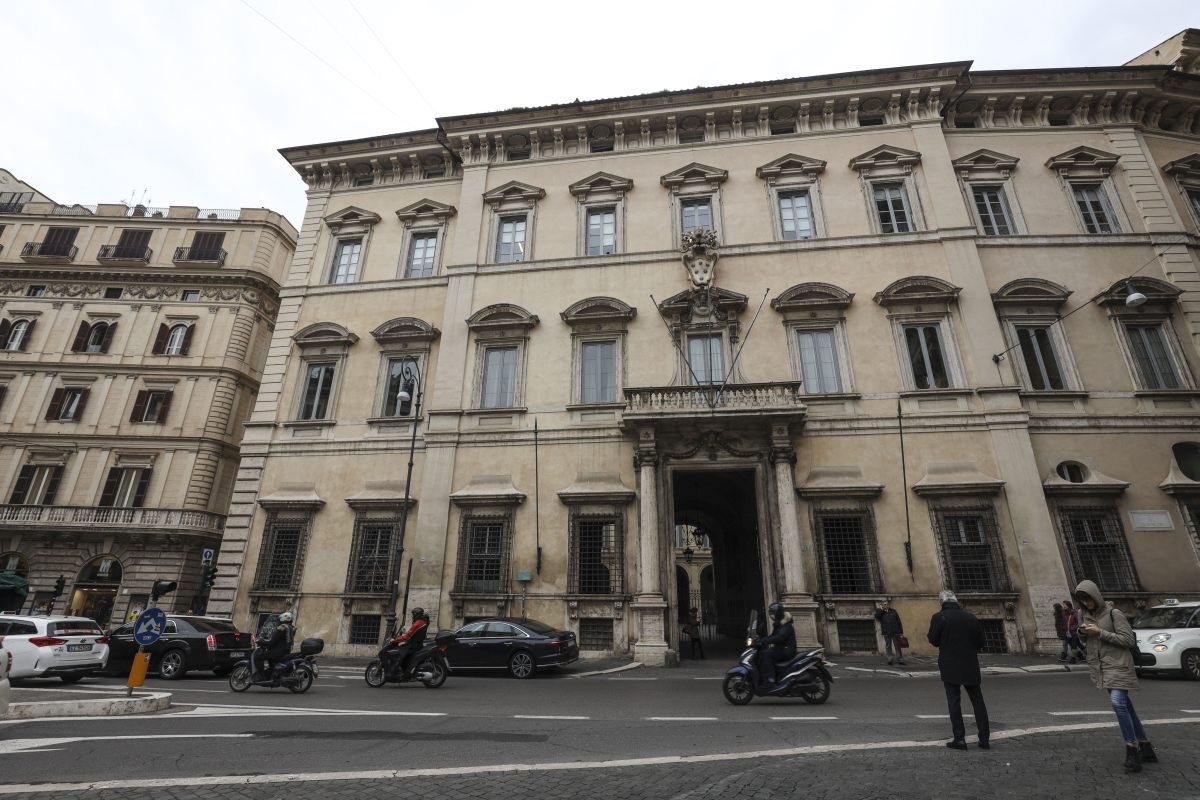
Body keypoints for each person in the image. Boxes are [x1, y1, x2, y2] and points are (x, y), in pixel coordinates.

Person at [1074, 580, 1157, 773]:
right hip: (1101, 666)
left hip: (1119, 664)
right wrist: (1082, 632)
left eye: (1088, 598)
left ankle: (1132, 749)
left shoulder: (1114, 613)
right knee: (1126, 706)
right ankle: (1146, 747)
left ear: (1096, 595)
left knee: (1118, 703)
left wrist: (1100, 632)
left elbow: (1128, 640)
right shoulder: (1082, 614)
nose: (1087, 603)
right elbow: (1085, 640)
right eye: (1083, 600)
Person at [927, 590, 990, 750]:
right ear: (956, 601)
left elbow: (933, 640)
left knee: (954, 701)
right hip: (970, 663)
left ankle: (959, 738)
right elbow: (981, 642)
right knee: (978, 700)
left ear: (941, 602)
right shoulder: (970, 617)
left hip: (949, 664)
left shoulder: (939, 617)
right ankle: (984, 739)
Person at [757, 602, 796, 689]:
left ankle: (771, 679)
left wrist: (765, 640)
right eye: (770, 613)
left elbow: (779, 638)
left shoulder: (786, 625)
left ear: (778, 613)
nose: (771, 616)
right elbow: (773, 636)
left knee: (766, 654)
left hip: (787, 650)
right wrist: (761, 639)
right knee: (765, 652)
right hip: (781, 648)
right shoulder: (779, 624)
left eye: (772, 613)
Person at [386, 607, 430, 678]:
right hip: (417, 644)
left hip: (413, 645)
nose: (412, 616)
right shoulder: (423, 622)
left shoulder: (417, 624)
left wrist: (394, 640)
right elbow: (411, 633)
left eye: (413, 614)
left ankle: (400, 672)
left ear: (416, 615)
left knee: (399, 653)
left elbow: (406, 637)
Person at [262, 610, 295, 685]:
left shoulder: (281, 629)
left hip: (279, 651)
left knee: (261, 656)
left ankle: (265, 676)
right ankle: (272, 674)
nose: (278, 622)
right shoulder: (290, 629)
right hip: (286, 650)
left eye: (279, 620)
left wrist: (262, 642)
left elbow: (272, 642)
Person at [875, 599, 906, 665]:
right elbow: (876, 617)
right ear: (882, 605)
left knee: (897, 646)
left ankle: (900, 659)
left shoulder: (893, 611)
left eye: (887, 604)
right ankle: (890, 659)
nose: (886, 605)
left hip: (895, 631)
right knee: (888, 646)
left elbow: (899, 621)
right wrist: (882, 610)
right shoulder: (880, 612)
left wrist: (901, 632)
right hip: (886, 632)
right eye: (885, 604)